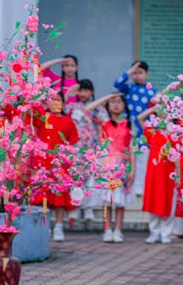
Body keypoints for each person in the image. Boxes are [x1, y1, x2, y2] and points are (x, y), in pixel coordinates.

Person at [33, 94, 80, 242]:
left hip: (60, 164)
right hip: (43, 164)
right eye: (51, 100)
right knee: (43, 197)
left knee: (60, 197)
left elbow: (72, 144)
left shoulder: (68, 122)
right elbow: (31, 109)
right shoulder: (42, 117)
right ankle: (44, 226)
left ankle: (59, 226)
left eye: (58, 100)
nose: (55, 103)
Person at [64, 80, 111, 223]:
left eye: (86, 90)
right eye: (81, 90)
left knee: (89, 178)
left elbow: (105, 121)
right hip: (76, 147)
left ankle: (88, 208)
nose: (83, 93)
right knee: (76, 178)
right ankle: (76, 208)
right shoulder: (72, 107)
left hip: (91, 147)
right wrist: (73, 89)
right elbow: (63, 104)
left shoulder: (98, 108)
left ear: (91, 92)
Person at [98, 94, 135, 243]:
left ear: (124, 105)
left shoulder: (129, 125)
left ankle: (118, 230)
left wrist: (132, 169)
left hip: (123, 167)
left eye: (119, 102)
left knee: (121, 201)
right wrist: (100, 165)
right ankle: (107, 229)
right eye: (112, 102)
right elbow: (101, 147)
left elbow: (132, 148)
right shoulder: (103, 124)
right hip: (107, 166)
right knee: (108, 200)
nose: (116, 105)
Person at [139, 105, 176, 244]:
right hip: (154, 174)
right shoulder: (152, 133)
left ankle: (166, 233)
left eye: (167, 110)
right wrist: (154, 108)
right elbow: (140, 118)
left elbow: (177, 156)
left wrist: (178, 174)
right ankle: (154, 232)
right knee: (153, 200)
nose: (164, 113)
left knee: (168, 202)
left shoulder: (175, 133)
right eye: (162, 111)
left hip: (169, 174)